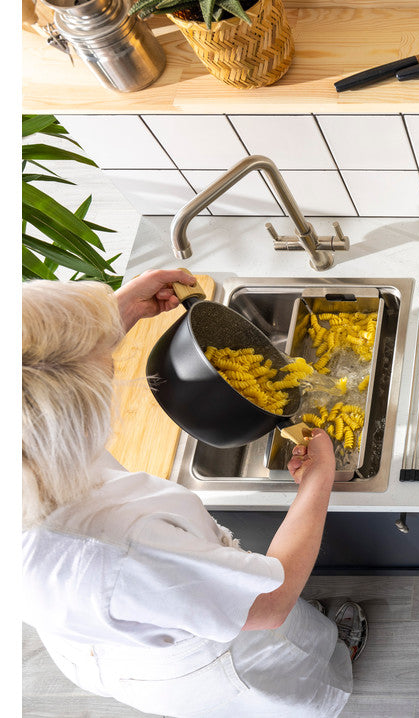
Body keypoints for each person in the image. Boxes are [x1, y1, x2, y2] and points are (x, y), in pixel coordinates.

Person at [22, 269, 367, 717]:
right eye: (105, 370)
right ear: (72, 413)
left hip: (93, 635)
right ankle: (335, 662)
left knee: (287, 622)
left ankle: (313, 632)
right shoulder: (118, 546)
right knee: (288, 667)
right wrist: (318, 483)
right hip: (198, 657)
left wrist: (114, 313)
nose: (112, 366)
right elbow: (269, 603)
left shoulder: (30, 441)